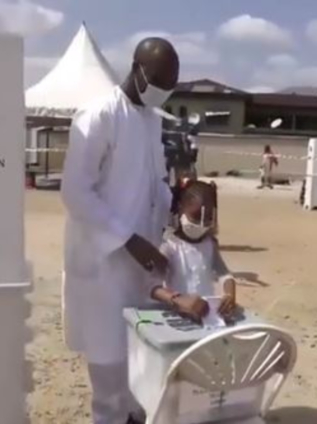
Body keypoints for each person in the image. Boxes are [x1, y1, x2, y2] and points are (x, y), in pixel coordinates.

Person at [61, 37, 179, 424]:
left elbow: (155, 182)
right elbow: (75, 191)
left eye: (171, 84)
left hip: (143, 259)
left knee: (140, 354)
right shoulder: (98, 115)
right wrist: (127, 239)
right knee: (108, 357)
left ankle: (133, 416)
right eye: (160, 81)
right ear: (137, 70)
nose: (164, 90)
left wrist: (174, 209)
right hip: (103, 263)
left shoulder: (151, 120)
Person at [151, 180, 237, 321]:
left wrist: (229, 295)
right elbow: (153, 286)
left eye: (207, 219)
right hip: (177, 316)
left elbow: (225, 275)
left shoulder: (210, 244)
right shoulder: (170, 245)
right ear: (181, 208)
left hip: (206, 316)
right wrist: (177, 300)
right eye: (196, 217)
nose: (200, 225)